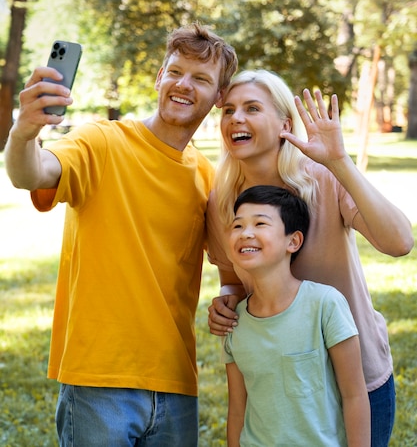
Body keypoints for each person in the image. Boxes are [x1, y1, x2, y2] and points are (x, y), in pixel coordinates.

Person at [4, 22, 238, 447]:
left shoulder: (207, 176)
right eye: (175, 71)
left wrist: (229, 294)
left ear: (219, 97)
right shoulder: (101, 141)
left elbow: (230, 263)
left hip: (175, 381)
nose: (183, 85)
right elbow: (32, 173)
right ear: (158, 78)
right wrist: (24, 132)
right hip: (98, 379)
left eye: (201, 78)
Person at [206, 69, 414, 447]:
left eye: (252, 108)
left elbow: (399, 242)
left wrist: (339, 162)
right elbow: (230, 275)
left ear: (285, 123)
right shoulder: (222, 203)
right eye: (229, 110)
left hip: (356, 381)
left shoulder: (322, 178)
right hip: (286, 392)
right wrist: (227, 298)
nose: (236, 118)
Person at [223, 184, 370, 447]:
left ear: (293, 241)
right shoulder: (234, 322)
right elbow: (237, 410)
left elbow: (354, 395)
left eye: (260, 224)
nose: (246, 233)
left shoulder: (325, 304)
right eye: (237, 226)